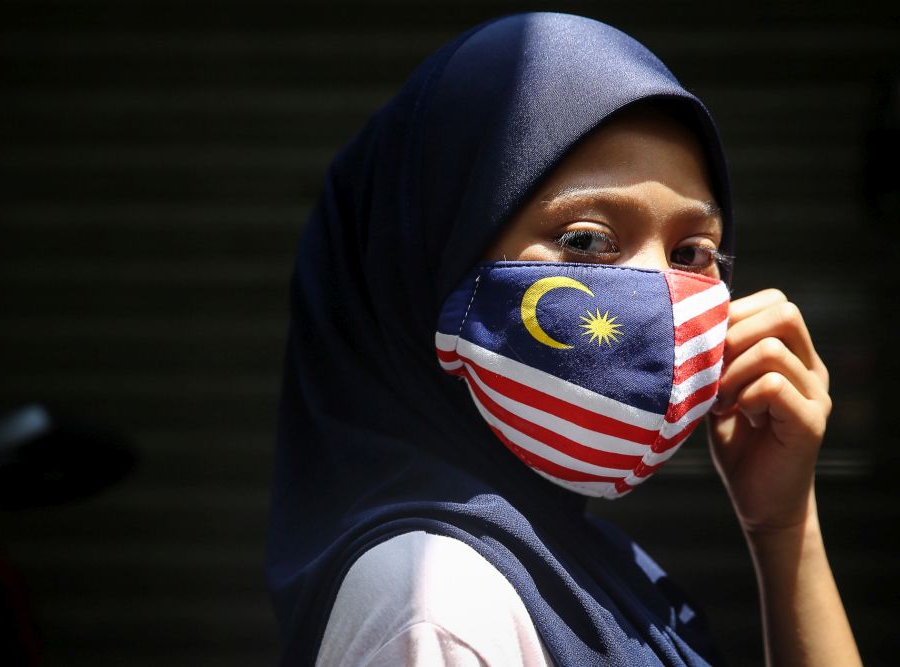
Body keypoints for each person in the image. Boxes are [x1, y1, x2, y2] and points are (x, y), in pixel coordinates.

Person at [265, 12, 862, 666]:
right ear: (425, 260)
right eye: (586, 240)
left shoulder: (601, 568)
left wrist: (784, 527)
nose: (660, 300)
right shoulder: (437, 604)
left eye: (692, 252)